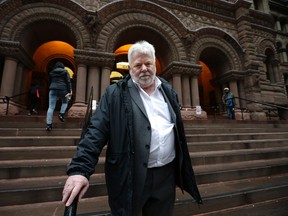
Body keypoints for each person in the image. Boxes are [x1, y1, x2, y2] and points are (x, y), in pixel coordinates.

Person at [62, 41, 203, 215]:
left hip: (166, 177)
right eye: (138, 65)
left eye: (148, 63)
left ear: (154, 65)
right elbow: (95, 132)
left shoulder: (168, 91)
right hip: (130, 177)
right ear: (130, 68)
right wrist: (80, 170)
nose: (144, 68)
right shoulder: (115, 94)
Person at [46, 61, 72, 131]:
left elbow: (49, 81)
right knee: (65, 102)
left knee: (51, 107)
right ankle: (61, 114)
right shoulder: (65, 72)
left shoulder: (52, 72)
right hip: (63, 89)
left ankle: (49, 125)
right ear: (62, 66)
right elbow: (68, 81)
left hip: (53, 89)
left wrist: (51, 88)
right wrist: (70, 90)